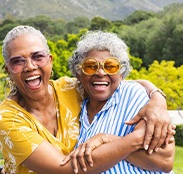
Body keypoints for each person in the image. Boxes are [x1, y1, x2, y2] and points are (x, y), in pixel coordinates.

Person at [0, 25, 174, 174]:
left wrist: (157, 98)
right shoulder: (7, 117)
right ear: (8, 69)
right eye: (18, 61)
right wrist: (133, 139)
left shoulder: (69, 89)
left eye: (37, 56)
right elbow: (64, 169)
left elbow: (111, 81)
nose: (30, 67)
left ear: (50, 60)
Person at [63, 30, 175, 173]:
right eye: (90, 66)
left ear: (121, 73)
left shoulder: (133, 94)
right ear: (78, 73)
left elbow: (164, 161)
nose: (101, 73)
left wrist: (107, 139)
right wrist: (121, 144)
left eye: (110, 66)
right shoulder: (75, 108)